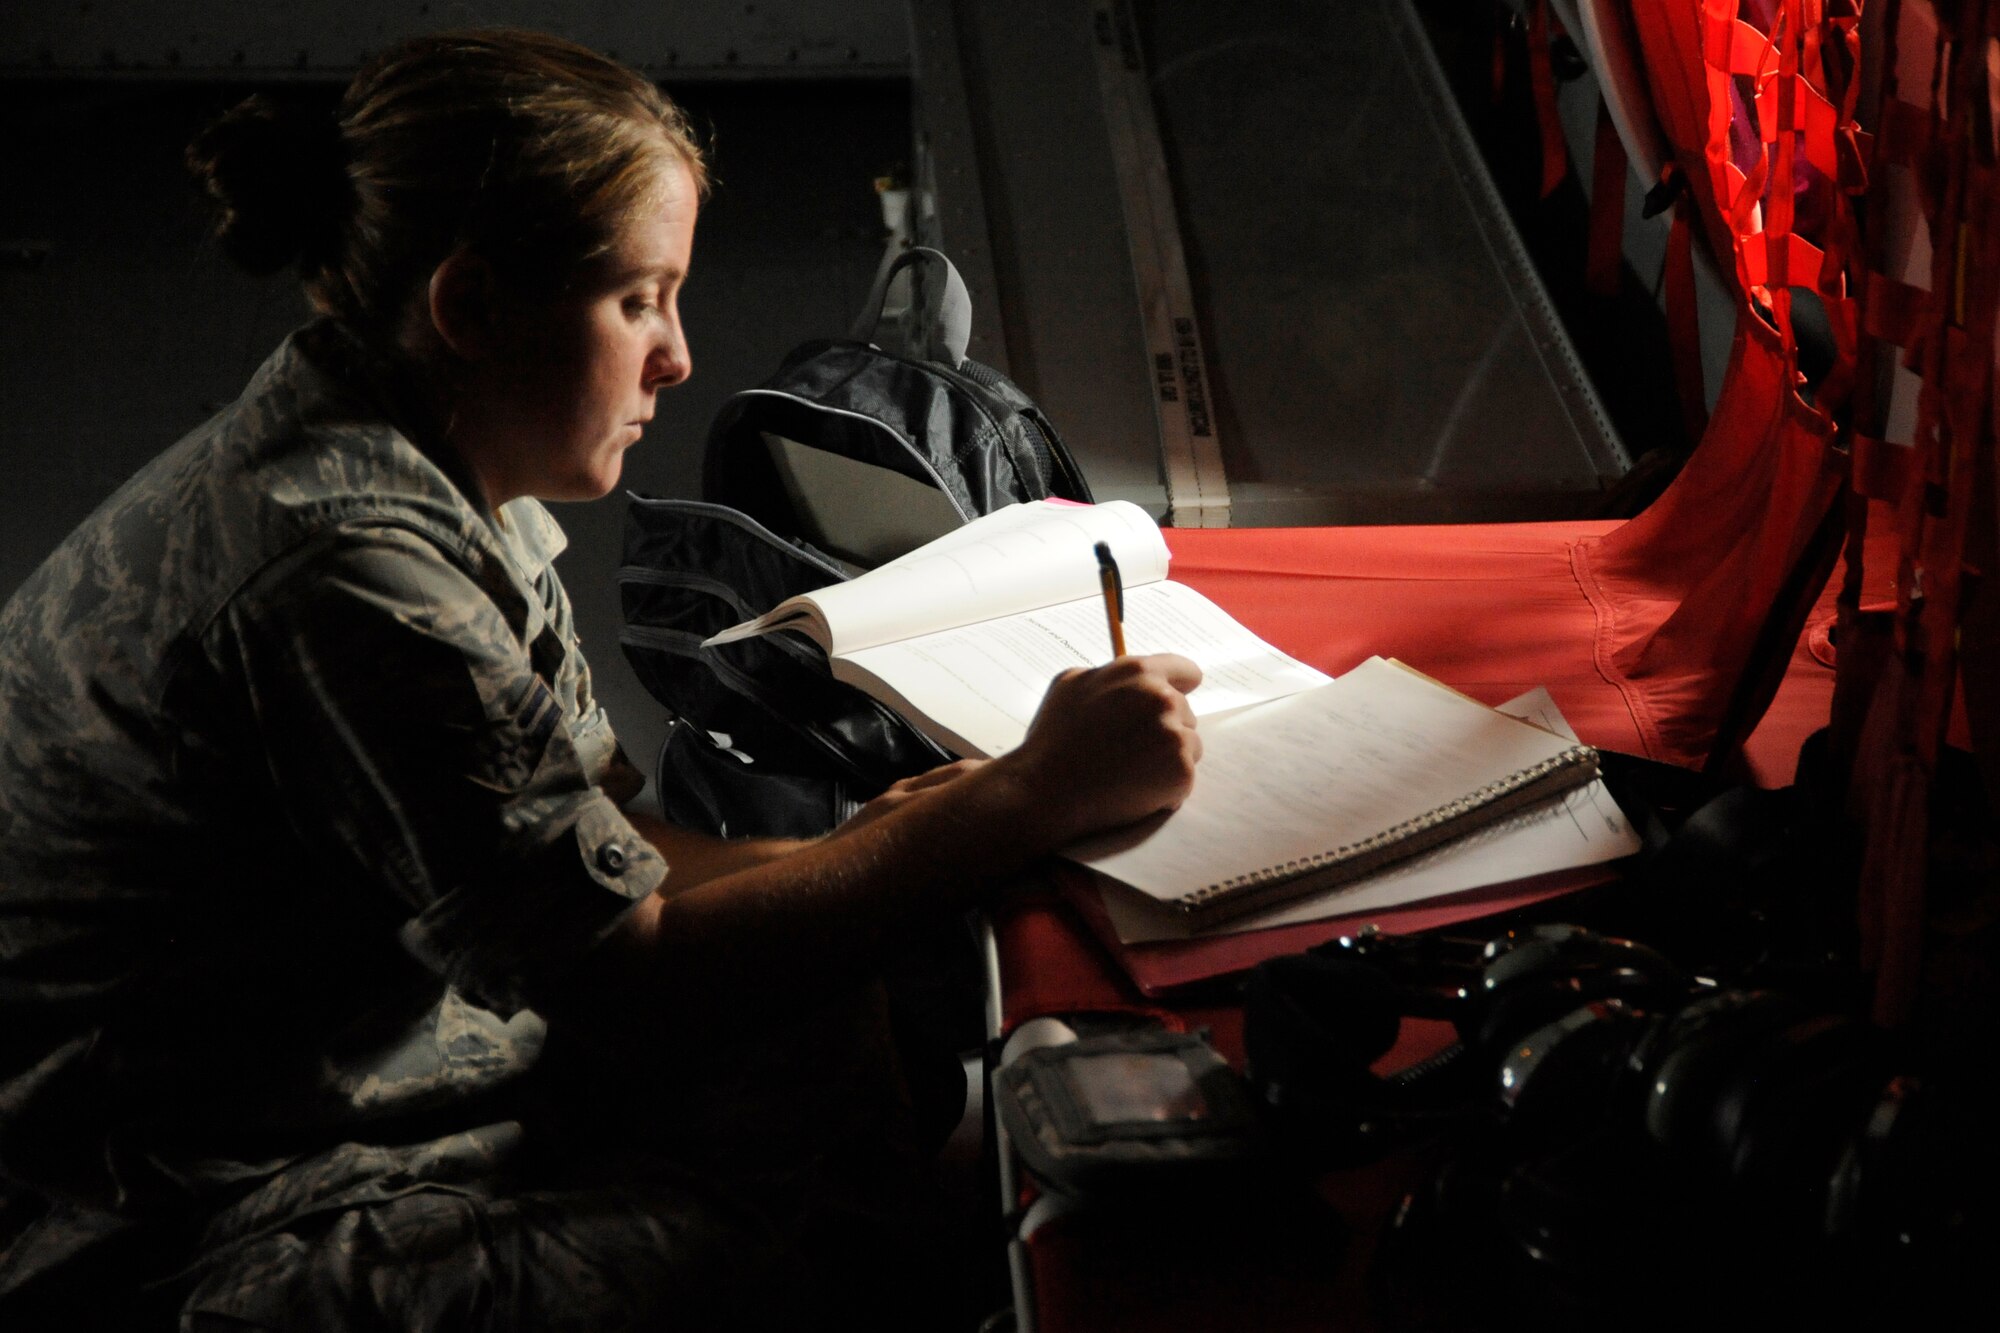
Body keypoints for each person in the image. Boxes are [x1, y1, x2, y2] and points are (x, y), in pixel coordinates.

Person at [0, 29, 1202, 1332]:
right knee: (798, 1252)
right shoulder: (344, 575)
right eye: (640, 300)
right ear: (472, 308)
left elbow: (612, 841)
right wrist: (1007, 808)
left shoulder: (430, 454)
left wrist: (902, 831)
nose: (679, 356)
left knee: (834, 978)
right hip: (189, 1218)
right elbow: (629, 972)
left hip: (364, 1065)